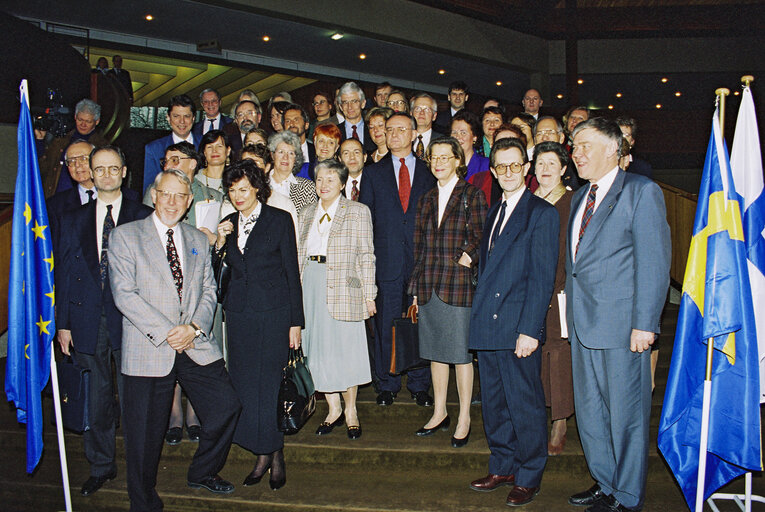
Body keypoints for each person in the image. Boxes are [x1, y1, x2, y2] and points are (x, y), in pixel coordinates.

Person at [109, 169, 242, 510]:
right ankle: (143, 501)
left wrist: (195, 327)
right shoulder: (125, 236)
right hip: (149, 345)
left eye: (179, 196)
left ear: (188, 203)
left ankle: (202, 471)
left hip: (193, 343)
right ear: (154, 195)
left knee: (227, 406)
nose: (171, 202)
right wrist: (170, 331)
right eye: (165, 194)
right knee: (143, 436)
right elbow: (125, 294)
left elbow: (209, 289)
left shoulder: (198, 239)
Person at [565, 118, 670, 512]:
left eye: (586, 145)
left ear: (614, 148)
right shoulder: (580, 197)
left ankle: (626, 496)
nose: (577, 153)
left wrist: (646, 324)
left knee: (627, 416)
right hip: (582, 326)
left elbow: (654, 262)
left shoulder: (641, 192)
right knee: (591, 413)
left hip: (624, 327)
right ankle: (605, 482)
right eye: (574, 146)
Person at [55, 145, 153, 497]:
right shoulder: (74, 219)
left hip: (132, 321)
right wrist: (62, 324)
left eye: (114, 168)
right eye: (100, 169)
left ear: (124, 172)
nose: (107, 174)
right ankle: (101, 465)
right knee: (96, 399)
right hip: (87, 319)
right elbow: (65, 273)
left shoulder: (144, 216)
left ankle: (140, 471)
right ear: (91, 175)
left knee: (135, 401)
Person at [468, 137, 558, 507]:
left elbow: (542, 278)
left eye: (514, 166)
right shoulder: (494, 211)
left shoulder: (541, 213)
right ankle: (503, 464)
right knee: (494, 403)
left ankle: (529, 473)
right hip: (489, 325)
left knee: (525, 404)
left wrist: (529, 330)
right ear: (493, 171)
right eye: (500, 167)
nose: (507, 173)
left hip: (517, 326)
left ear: (526, 168)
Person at [213, 159, 303, 490]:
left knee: (269, 387)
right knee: (246, 386)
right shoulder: (227, 223)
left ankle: (273, 454)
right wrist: (219, 245)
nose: (238, 196)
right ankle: (261, 452)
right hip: (238, 316)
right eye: (232, 190)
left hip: (273, 314)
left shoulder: (279, 220)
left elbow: (292, 273)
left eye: (244, 189)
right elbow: (218, 276)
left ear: (257, 189)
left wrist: (296, 321)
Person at [142, 141, 223, 444]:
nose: (171, 163)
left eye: (179, 159)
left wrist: (216, 239)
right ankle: (175, 413)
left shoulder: (212, 197)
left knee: (195, 349)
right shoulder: (156, 195)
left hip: (198, 287)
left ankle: (194, 413)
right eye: (168, 158)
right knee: (170, 346)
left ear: (194, 164)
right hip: (161, 288)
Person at [409, 138, 487, 447]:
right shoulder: (426, 198)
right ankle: (439, 411)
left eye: (445, 156)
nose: (439, 162)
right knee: (435, 355)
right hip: (429, 285)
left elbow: (482, 234)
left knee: (460, 356)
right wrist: (414, 289)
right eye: (434, 157)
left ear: (458, 160)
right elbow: (419, 248)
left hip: (457, 285)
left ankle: (464, 415)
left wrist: (468, 256)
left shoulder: (472, 195)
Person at [359, 112, 436, 407]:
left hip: (420, 261)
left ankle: (419, 384)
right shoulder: (373, 173)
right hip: (386, 262)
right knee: (386, 325)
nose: (393, 134)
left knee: (420, 325)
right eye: (388, 130)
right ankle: (387, 384)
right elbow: (366, 220)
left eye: (400, 129)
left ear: (414, 133)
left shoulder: (429, 173)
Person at [297, 159, 376, 440]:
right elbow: (298, 255)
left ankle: (351, 410)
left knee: (346, 351)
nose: (324, 185)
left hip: (345, 286)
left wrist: (370, 294)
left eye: (331, 179)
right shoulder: (305, 213)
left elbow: (366, 255)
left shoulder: (357, 211)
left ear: (343, 183)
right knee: (317, 351)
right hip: (312, 285)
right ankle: (333, 409)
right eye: (319, 179)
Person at [531, 142, 575, 457]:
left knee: (559, 356)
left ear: (562, 169)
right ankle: (537, 416)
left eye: (551, 163)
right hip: (531, 292)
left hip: (562, 291)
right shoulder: (526, 202)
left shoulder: (573, 202)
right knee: (535, 356)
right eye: (540, 163)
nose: (545, 169)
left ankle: (560, 421)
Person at [38, 98, 108, 196]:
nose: (83, 124)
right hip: (56, 198)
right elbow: (42, 167)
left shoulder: (103, 147)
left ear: (97, 121)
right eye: (80, 120)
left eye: (88, 121)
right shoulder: (60, 141)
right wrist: (40, 141)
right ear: (75, 117)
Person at [144, 94, 199, 192]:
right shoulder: (153, 149)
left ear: (193, 118)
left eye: (186, 116)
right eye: (176, 116)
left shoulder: (206, 146)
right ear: (168, 118)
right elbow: (149, 189)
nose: (182, 121)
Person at [267, 131, 317, 213]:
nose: (285, 157)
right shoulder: (261, 184)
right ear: (272, 155)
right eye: (281, 152)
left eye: (290, 153)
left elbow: (310, 221)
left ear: (296, 158)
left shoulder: (308, 187)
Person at [337, 82, 376, 153]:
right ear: (340, 107)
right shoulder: (335, 132)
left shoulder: (373, 129)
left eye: (354, 101)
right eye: (345, 102)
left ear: (363, 103)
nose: (349, 107)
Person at [451, 110, 489, 181]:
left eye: (463, 133)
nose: (457, 137)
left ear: (474, 137)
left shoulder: (485, 165)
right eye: (454, 132)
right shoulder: (446, 165)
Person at [410, 93, 443, 158]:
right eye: (418, 109)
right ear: (411, 113)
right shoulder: (402, 138)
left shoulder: (443, 141)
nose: (422, 113)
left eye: (427, 109)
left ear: (434, 116)